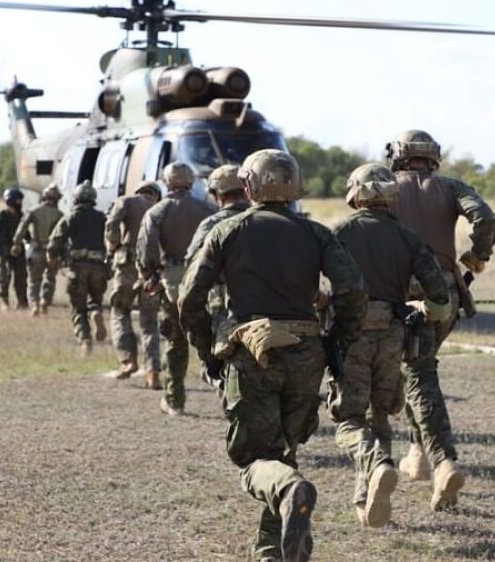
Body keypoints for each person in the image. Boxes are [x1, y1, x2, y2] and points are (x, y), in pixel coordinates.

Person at [179, 150, 366, 562]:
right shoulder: (317, 233)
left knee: (253, 460)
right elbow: (353, 291)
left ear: (248, 186)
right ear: (295, 186)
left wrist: (208, 350)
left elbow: (189, 298)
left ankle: (290, 491)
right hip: (307, 351)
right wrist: (337, 341)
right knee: (283, 453)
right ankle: (270, 550)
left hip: (251, 353)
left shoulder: (227, 230)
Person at [330, 163, 453, 528]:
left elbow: (314, 282)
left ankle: (376, 468)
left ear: (356, 192)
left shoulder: (339, 233)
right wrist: (425, 310)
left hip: (352, 334)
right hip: (393, 334)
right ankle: (365, 497)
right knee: (379, 415)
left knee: (350, 419)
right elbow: (439, 294)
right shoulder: (408, 236)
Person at [385, 129, 495, 511]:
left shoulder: (385, 186)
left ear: (398, 155)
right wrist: (477, 256)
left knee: (417, 373)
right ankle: (417, 454)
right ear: (433, 156)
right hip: (446, 295)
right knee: (418, 367)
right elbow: (484, 217)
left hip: (403, 295)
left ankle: (443, 462)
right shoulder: (451, 187)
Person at [137, 162, 214, 416]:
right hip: (206, 281)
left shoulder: (157, 211)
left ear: (167, 182)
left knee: (175, 341)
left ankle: (174, 401)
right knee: (213, 338)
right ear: (191, 182)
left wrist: (149, 275)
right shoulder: (209, 209)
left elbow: (147, 247)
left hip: (172, 281)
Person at [183, 163, 250, 393]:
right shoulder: (267, 219)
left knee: (226, 366)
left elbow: (193, 267)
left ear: (217, 194)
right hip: (267, 306)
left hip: (224, 306)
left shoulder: (212, 224)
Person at [104, 181, 164, 386]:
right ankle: (153, 371)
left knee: (120, 311)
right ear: (156, 195)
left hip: (127, 265)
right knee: (150, 320)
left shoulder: (126, 201)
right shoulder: (161, 208)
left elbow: (112, 222)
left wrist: (113, 244)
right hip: (152, 270)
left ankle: (128, 360)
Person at [46, 181, 109, 354]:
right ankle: (95, 311)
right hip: (98, 267)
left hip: (78, 268)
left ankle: (85, 341)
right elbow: (113, 239)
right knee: (95, 299)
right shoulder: (102, 218)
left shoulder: (70, 217)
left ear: (76, 198)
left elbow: (55, 241)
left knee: (78, 308)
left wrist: (52, 258)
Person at [14, 183, 64, 316]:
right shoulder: (60, 215)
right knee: (50, 279)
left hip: (36, 250)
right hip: (52, 253)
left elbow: (22, 228)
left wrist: (17, 243)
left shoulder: (33, 211)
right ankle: (44, 302)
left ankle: (34, 304)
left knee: (34, 280)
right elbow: (63, 236)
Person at [0, 187, 29, 311]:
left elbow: (26, 233)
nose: (20, 203)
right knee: (5, 275)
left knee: (21, 276)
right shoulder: (1, 215)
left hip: (19, 250)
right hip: (4, 250)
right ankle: (4, 300)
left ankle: (22, 301)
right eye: (18, 201)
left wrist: (30, 243)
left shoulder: (21, 216)